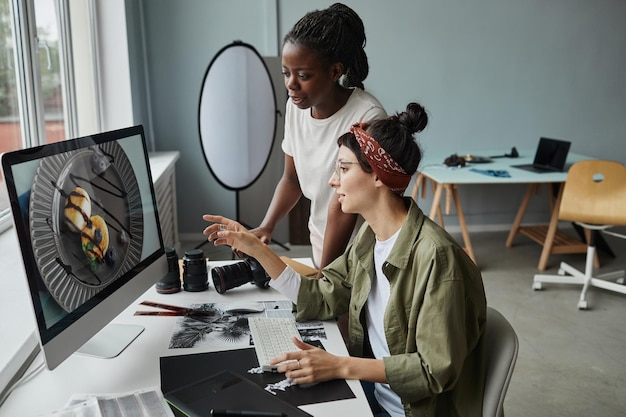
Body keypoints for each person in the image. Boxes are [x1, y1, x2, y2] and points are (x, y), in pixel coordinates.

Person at [203, 102, 487, 417]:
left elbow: (433, 371)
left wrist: (340, 366)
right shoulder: (369, 238)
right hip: (375, 394)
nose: (332, 181)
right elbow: (323, 294)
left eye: (343, 168)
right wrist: (258, 249)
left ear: (378, 176)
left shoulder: (437, 258)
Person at [250, 3, 387, 270]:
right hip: (321, 244)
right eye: (286, 73)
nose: (291, 84)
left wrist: (326, 279)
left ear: (335, 72)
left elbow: (344, 207)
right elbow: (292, 180)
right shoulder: (296, 108)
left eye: (303, 75)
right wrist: (267, 227)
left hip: (360, 254)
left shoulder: (367, 117)